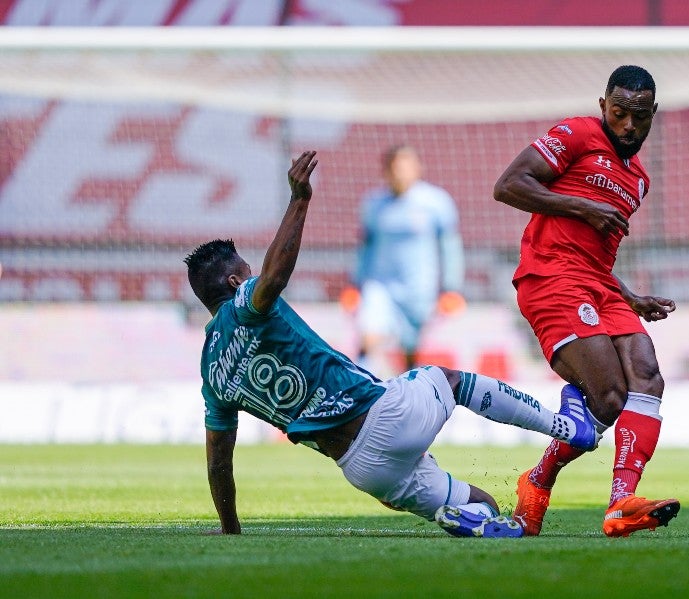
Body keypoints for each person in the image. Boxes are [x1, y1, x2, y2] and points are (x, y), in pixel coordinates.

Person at [184, 151, 600, 539]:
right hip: (384, 418)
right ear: (236, 282)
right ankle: (568, 428)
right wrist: (299, 200)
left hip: (363, 470)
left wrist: (230, 529)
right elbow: (274, 277)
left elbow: (218, 462)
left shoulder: (211, 372)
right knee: (447, 380)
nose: (255, 277)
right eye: (248, 272)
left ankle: (482, 523)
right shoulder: (246, 302)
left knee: (485, 507)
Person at [493, 65, 681, 538]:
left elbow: (593, 252)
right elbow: (508, 185)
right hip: (551, 278)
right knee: (609, 394)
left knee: (647, 374)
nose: (628, 127)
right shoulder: (577, 133)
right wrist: (582, 205)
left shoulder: (638, 180)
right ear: (604, 106)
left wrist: (631, 297)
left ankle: (621, 504)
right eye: (619, 114)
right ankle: (538, 480)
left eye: (640, 117)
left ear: (652, 115)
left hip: (599, 284)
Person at [344, 144, 465, 376]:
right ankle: (358, 387)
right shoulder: (374, 204)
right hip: (380, 286)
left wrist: (451, 288)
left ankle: (409, 386)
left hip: (419, 289)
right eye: (395, 166)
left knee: (410, 347)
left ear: (418, 168)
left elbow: (449, 247)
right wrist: (355, 284)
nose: (400, 171)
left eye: (406, 165)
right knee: (370, 332)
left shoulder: (436, 202)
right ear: (386, 170)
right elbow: (365, 246)